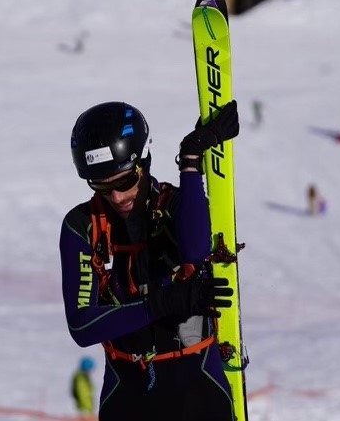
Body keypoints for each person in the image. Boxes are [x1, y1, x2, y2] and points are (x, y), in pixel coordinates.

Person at [60, 101, 238, 421]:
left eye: (124, 182)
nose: (116, 197)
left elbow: (196, 253)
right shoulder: (82, 226)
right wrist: (160, 304)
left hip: (197, 387)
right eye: (101, 186)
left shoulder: (175, 206)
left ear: (144, 162)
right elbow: (82, 326)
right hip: (128, 394)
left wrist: (191, 160)